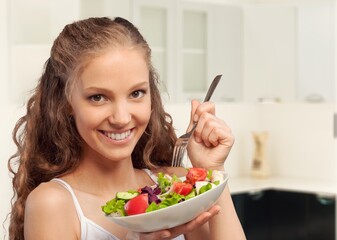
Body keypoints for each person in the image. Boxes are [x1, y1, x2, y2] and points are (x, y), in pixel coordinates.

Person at [7, 17, 246, 240]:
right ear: (67, 103)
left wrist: (212, 171)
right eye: (98, 97)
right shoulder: (54, 204)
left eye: (136, 93)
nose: (121, 118)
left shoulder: (178, 187)